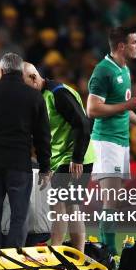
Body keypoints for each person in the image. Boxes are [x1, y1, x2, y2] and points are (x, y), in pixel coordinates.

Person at [86, 26, 136, 256]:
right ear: (121, 46)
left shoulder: (125, 69)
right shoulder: (103, 71)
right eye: (134, 42)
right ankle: (108, 250)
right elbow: (92, 109)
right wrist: (125, 106)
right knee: (111, 201)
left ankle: (104, 246)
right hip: (106, 142)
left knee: (114, 201)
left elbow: (124, 109)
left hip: (121, 142)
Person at [0, 53, 52, 252]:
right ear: (19, 71)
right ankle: (13, 255)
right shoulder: (34, 96)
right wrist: (44, 167)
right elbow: (43, 136)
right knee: (19, 214)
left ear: (1, 70)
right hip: (19, 163)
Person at [22, 62, 95, 253]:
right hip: (61, 158)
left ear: (33, 78)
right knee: (66, 205)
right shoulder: (42, 95)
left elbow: (82, 124)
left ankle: (59, 250)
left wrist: (77, 158)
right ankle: (66, 251)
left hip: (75, 158)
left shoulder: (58, 94)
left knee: (64, 205)